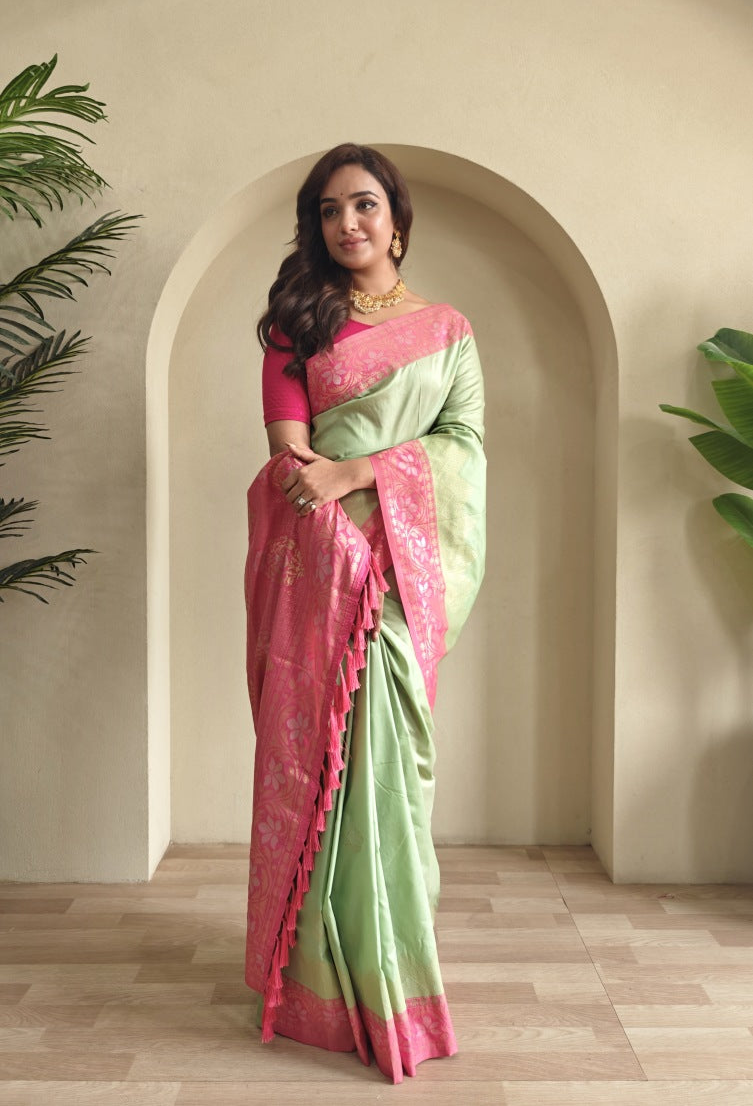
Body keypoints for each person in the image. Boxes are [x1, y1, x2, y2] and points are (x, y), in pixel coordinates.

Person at [244, 143, 486, 1083]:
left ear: (396, 219)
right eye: (329, 210)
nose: (347, 223)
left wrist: (364, 472)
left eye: (364, 205)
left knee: (395, 774)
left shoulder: (449, 330)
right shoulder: (295, 323)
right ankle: (320, 983)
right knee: (329, 766)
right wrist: (334, 497)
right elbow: (289, 456)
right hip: (325, 568)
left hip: (402, 571)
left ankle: (394, 977)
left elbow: (461, 447)